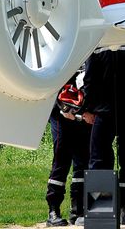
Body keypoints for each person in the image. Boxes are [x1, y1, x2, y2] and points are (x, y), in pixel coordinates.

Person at [80, 48, 125, 224]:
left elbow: (90, 80)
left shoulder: (97, 48)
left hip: (104, 112)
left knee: (98, 159)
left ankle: (101, 210)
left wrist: (87, 108)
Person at [45, 73, 91, 227]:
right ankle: (53, 210)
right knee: (61, 158)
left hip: (83, 111)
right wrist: (62, 107)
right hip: (60, 112)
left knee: (83, 160)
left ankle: (78, 209)